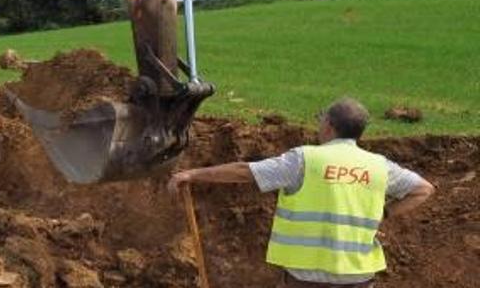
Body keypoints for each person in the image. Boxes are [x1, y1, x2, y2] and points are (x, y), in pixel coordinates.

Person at [168, 98, 435, 287]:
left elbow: (244, 172)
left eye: (321, 121)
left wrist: (192, 174)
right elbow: (423, 189)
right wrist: (385, 213)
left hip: (307, 279)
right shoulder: (379, 166)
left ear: (329, 126)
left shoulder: (305, 160)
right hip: (358, 277)